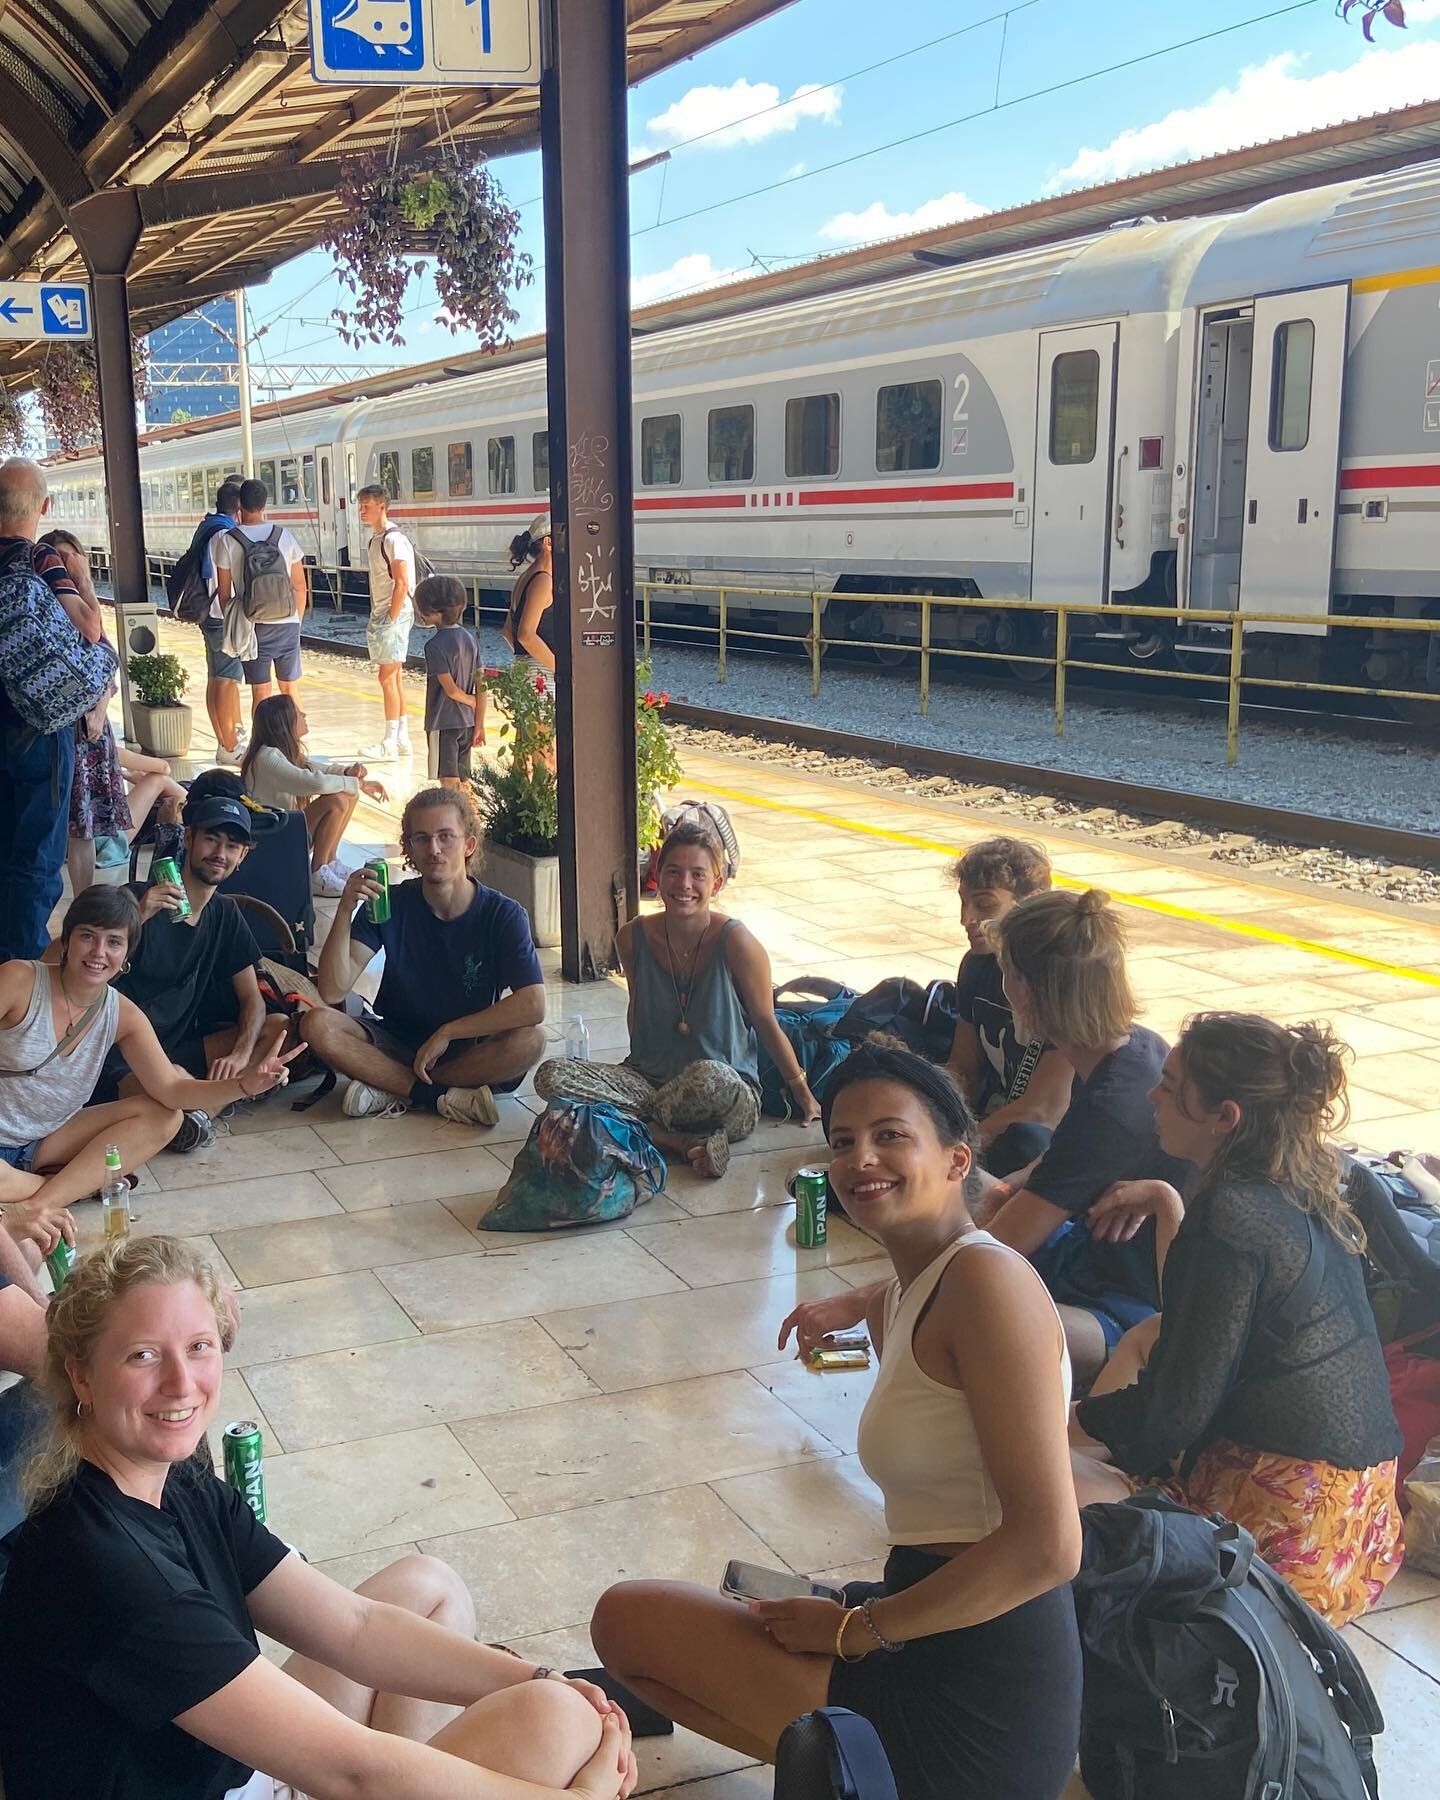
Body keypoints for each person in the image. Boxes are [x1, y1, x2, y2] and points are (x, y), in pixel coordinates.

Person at [592, 1043, 1082, 1800]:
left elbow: (1048, 1547)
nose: (861, 1158)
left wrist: (861, 1629)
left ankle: (867, 1776)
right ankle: (844, 1774)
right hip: (925, 1618)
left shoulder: (988, 1285)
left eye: (891, 1135)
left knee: (628, 1621)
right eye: (844, 1140)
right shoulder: (909, 1291)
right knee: (655, 1632)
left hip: (983, 1686)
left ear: (957, 1160)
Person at [0, 1234, 638, 1800]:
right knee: (557, 1727)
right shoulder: (105, 1565)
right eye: (143, 1356)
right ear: (81, 1375)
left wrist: (537, 1675)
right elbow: (351, 1772)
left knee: (430, 1587)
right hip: (225, 1782)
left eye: (198, 1347)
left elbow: (354, 1628)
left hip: (231, 1769)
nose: (181, 1383)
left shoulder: (172, 1477)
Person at [1070, 1012, 1403, 1626]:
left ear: (1225, 1117)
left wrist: (1056, 1424)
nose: (1153, 1095)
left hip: (1276, 1546)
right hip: (1358, 1535)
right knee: (1145, 1338)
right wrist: (1168, 1202)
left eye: (1170, 1087)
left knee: (1024, 1468)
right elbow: (1193, 1325)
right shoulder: (1298, 1189)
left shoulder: (1229, 1212)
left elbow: (1173, 1413)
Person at [786, 888, 1190, 1382]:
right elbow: (1056, 1166)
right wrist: (1005, 1188)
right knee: (961, 1187)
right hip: (1086, 1255)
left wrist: (857, 1302)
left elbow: (982, 1255)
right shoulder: (1134, 1049)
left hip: (1121, 1311)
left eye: (1006, 973)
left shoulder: (1111, 1107)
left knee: (952, 1306)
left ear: (1028, 989)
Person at [2, 885, 297, 1299]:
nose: (98, 952)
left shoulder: (121, 1013)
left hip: (41, 1142)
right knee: (23, 1260)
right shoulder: (20, 979)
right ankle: (44, 1193)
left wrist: (243, 1085)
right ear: (66, 941)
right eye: (87, 935)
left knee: (163, 1115)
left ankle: (39, 1201)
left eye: (114, 942)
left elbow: (171, 1089)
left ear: (127, 956)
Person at [536, 821, 819, 1179]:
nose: (684, 885)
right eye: (674, 872)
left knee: (709, 1075)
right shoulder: (632, 937)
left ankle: (632, 1125)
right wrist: (631, 1072)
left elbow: (765, 1020)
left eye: (697, 875)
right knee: (552, 1074)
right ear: (658, 875)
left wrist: (801, 1090)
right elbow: (639, 1012)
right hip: (648, 1080)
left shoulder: (737, 941)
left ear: (715, 883)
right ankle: (676, 1140)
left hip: (724, 1090)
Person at [302, 786, 546, 1125]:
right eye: (421, 839)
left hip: (465, 1048)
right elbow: (332, 990)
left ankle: (393, 1086)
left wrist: (448, 1032)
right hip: (395, 1039)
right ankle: (439, 1096)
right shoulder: (392, 903)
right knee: (317, 1023)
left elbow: (533, 1005)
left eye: (446, 837)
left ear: (469, 844)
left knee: (531, 1040)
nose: (434, 849)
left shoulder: (503, 915)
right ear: (409, 850)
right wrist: (344, 908)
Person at [93, 779, 291, 1152]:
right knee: (154, 1094)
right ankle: (196, 1105)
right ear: (189, 840)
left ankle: (196, 1113)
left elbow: (253, 1000)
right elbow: (83, 973)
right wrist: (138, 916)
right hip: (119, 1056)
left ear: (242, 856)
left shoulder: (225, 912)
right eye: (212, 840)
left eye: (232, 846)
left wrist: (240, 1054)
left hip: (177, 1047)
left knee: (279, 1029)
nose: (221, 853)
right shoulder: (134, 898)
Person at [0, 457, 117, 962]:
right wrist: (81, 579)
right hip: (37, 734)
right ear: (44, 507)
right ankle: (18, 974)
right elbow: (90, 630)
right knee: (34, 862)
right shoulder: (40, 560)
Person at [944, 837, 1071, 1178]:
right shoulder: (976, 965)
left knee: (1023, 1142)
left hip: (1045, 1138)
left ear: (1028, 905)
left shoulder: (1062, 981)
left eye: (984, 906)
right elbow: (963, 1066)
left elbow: (1042, 1109)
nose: (966, 920)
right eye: (963, 904)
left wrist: (958, 1149)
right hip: (994, 1119)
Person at [241, 695, 387, 898]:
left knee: (347, 794)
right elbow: (313, 782)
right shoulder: (267, 757)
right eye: (298, 713)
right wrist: (357, 784)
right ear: (285, 722)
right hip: (271, 842)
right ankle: (317, 871)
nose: (304, 715)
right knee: (336, 799)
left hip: (286, 830)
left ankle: (329, 861)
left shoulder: (285, 753)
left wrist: (349, 773)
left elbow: (321, 770)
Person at [212, 478, 308, 708]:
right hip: (287, 623)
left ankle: (262, 744)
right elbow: (300, 585)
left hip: (253, 625)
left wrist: (235, 624)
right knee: (289, 688)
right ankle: (294, 742)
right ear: (265, 505)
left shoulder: (228, 541)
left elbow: (224, 593)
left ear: (239, 506)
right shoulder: (284, 536)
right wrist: (296, 621)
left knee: (261, 692)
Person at [188, 480, 247, 765]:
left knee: (217, 679)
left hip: (208, 615)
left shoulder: (208, 526)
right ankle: (229, 745)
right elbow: (225, 580)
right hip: (222, 616)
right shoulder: (225, 534)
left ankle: (225, 740)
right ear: (238, 507)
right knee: (227, 681)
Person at [357, 483, 417, 761]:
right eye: (361, 506)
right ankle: (402, 738)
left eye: (367, 506)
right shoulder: (377, 539)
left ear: (382, 506)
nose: (362, 511)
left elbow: (401, 582)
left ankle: (389, 742)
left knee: (387, 677)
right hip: (388, 612)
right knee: (395, 677)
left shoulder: (392, 539)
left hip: (393, 614)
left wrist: (390, 618)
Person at [416, 574, 485, 788]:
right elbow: (482, 684)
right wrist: (479, 723)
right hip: (467, 722)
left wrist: (471, 701)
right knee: (464, 781)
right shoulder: (469, 638)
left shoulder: (434, 645)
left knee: (448, 782)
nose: (420, 613)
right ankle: (468, 818)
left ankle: (455, 819)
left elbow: (451, 690)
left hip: (442, 722)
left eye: (422, 608)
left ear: (435, 612)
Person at [503, 515, 555, 675]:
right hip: (542, 675)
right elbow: (526, 635)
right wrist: (561, 670)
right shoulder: (543, 580)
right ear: (548, 543)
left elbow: (507, 630)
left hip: (528, 671)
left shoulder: (526, 577)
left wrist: (524, 660)